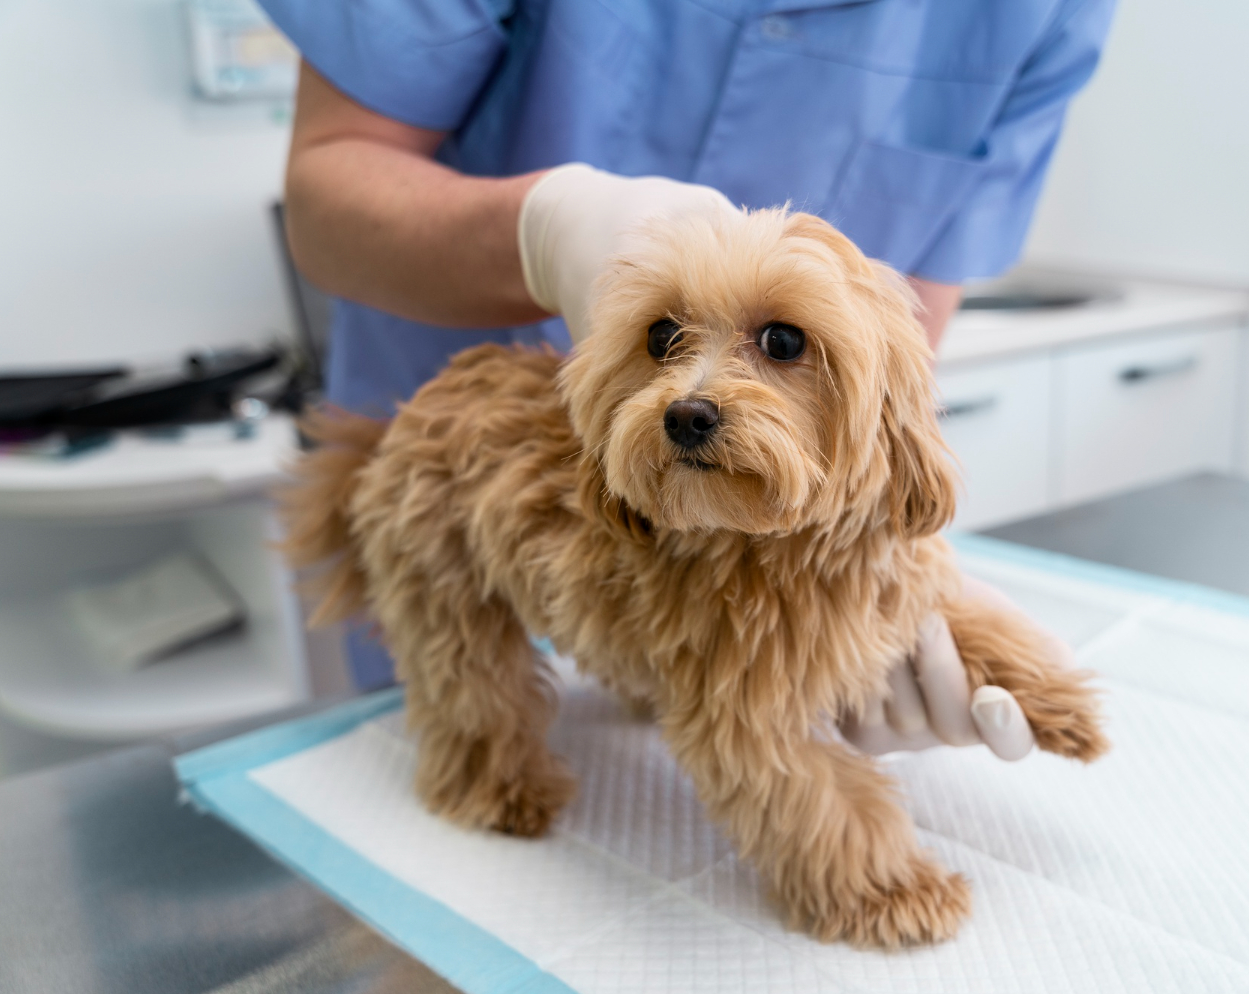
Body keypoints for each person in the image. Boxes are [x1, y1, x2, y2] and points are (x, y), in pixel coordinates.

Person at [263, 0, 1117, 754]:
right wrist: (542, 229)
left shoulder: (1042, 10)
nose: (697, 392)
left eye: (780, 343)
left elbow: (908, 341)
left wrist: (888, 557)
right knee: (461, 756)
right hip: (453, 429)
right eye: (666, 339)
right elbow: (329, 182)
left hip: (788, 499)